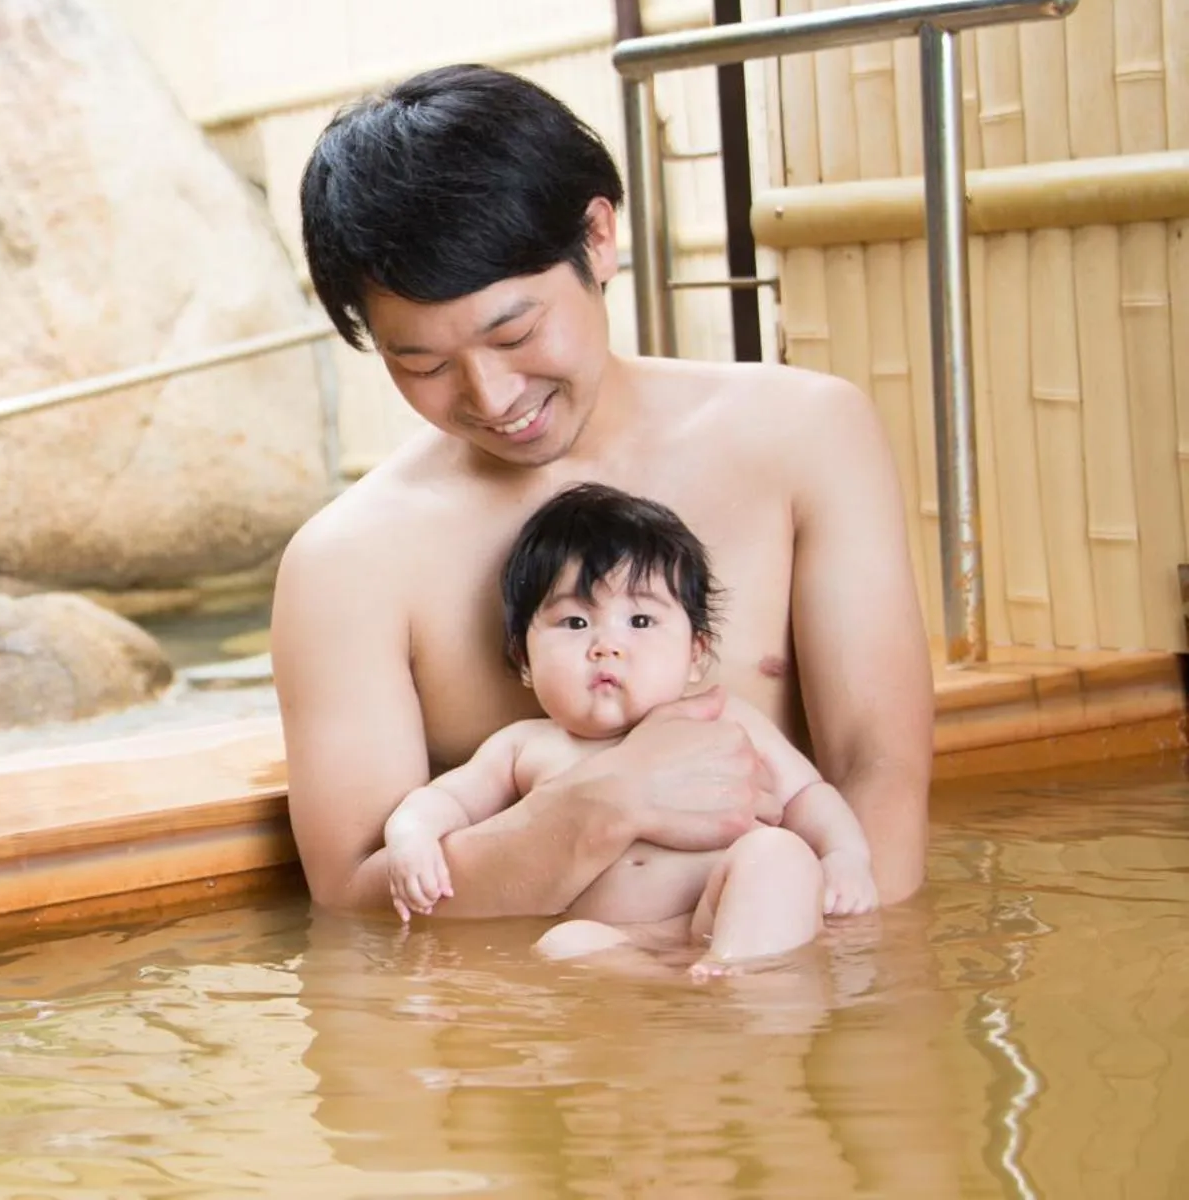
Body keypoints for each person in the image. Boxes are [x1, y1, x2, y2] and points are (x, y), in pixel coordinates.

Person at [274, 64, 933, 919]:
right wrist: (600, 804)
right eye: (422, 364)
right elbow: (354, 902)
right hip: (539, 1025)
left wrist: (814, 999)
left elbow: (878, 774)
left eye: (515, 331)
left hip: (783, 988)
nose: (493, 397)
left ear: (596, 237)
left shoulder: (806, 437)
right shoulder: (348, 564)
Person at [382, 483, 877, 974]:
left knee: (779, 855)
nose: (607, 646)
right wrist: (413, 836)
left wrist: (845, 856)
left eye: (640, 621)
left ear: (696, 654)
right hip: (626, 943)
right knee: (564, 945)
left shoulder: (725, 719)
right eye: (575, 623)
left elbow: (806, 796)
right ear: (524, 660)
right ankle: (685, 992)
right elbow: (447, 799)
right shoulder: (524, 746)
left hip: (729, 912)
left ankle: (737, 972)